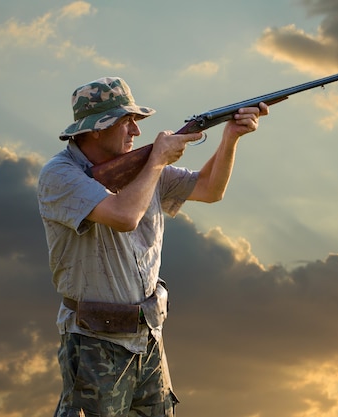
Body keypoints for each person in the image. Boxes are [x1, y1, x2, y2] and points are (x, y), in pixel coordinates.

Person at [37, 76, 268, 417]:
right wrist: (157, 161)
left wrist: (230, 138)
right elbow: (124, 215)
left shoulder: (143, 167)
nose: (136, 131)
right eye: (126, 121)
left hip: (148, 339)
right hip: (93, 343)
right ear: (96, 129)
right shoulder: (59, 175)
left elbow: (209, 189)